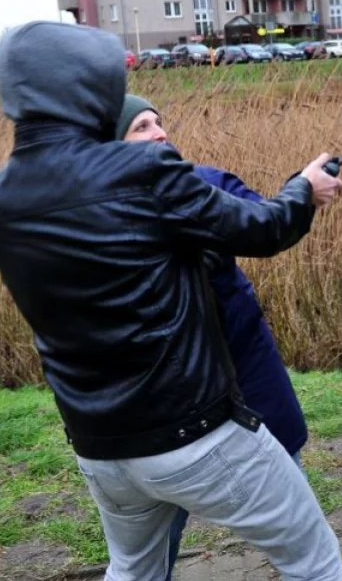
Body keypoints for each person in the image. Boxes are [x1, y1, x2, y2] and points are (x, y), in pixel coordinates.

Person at [0, 22, 342, 581]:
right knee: (314, 560)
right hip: (195, 436)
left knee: (133, 571)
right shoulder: (143, 170)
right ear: (89, 91)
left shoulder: (2, 197)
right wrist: (303, 188)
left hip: (100, 448)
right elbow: (262, 229)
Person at [115, 94, 309, 578]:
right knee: (167, 512)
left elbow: (262, 219)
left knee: (286, 476)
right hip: (178, 392)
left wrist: (299, 191)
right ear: (111, 143)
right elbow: (270, 224)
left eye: (160, 122)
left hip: (243, 361)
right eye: (141, 126)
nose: (160, 132)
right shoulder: (177, 193)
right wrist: (303, 188)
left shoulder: (201, 183)